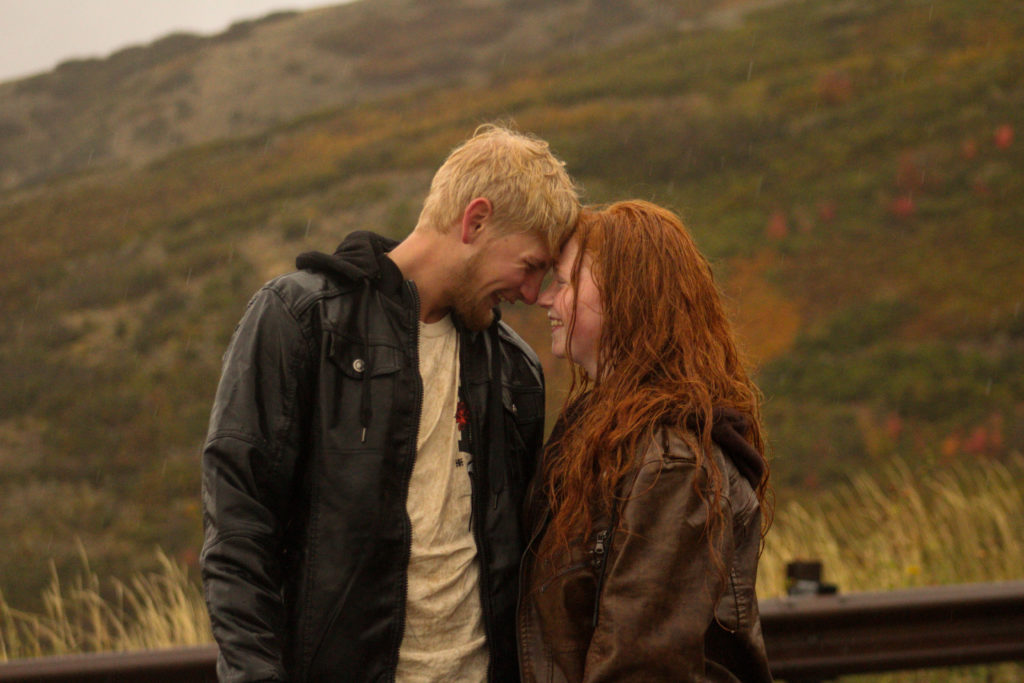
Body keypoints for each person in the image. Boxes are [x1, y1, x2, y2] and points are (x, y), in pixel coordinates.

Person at [200, 123, 580, 682]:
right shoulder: (302, 321)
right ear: (474, 221)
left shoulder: (514, 369)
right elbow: (238, 535)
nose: (530, 293)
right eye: (528, 265)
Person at [518, 200, 774, 682]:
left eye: (568, 281)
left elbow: (643, 669)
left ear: (625, 295)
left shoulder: (669, 462)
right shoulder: (600, 432)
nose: (547, 298)